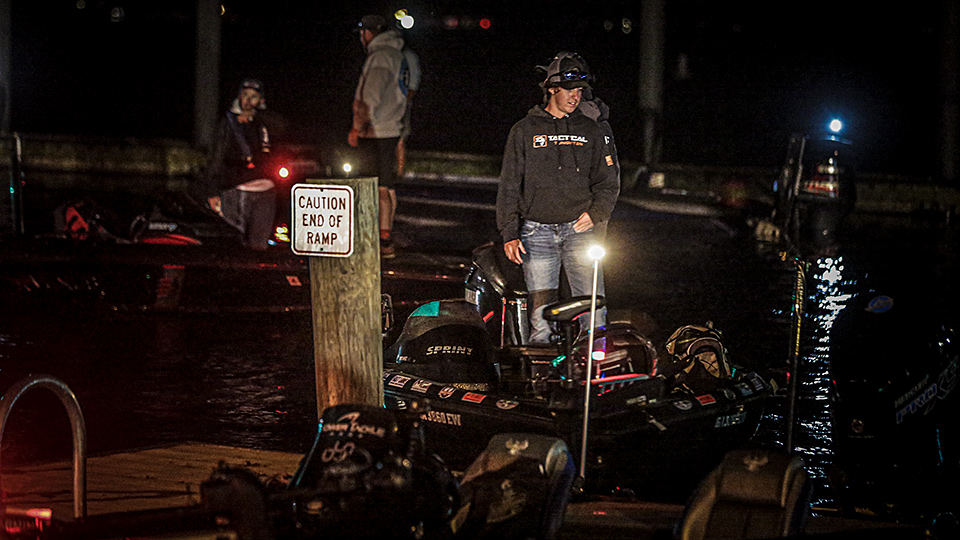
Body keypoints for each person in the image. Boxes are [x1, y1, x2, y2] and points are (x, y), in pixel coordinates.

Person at [496, 54, 620, 344]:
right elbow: (510, 184)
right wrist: (509, 233)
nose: (575, 97)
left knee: (594, 314)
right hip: (536, 233)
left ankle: (593, 367)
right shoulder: (524, 130)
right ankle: (541, 371)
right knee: (542, 321)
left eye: (579, 90)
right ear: (552, 89)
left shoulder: (591, 130)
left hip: (580, 233)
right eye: (568, 90)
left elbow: (608, 182)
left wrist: (596, 214)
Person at [350, 14, 410, 259]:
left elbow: (369, 96)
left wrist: (357, 127)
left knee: (376, 187)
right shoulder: (398, 55)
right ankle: (386, 237)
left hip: (376, 131)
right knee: (388, 186)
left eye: (362, 32)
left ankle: (376, 238)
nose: (361, 37)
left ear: (369, 32)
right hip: (393, 128)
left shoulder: (380, 57)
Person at [205, 78, 276, 250]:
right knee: (234, 244)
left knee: (259, 246)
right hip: (236, 190)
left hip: (265, 192)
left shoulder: (266, 122)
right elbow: (216, 157)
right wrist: (212, 191)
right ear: (239, 97)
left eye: (253, 96)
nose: (248, 100)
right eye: (245, 95)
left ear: (260, 100)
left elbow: (282, 127)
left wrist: (256, 116)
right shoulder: (228, 123)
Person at [396, 42, 421, 179]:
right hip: (387, 103)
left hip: (401, 103)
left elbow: (413, 83)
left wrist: (404, 101)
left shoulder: (408, 56)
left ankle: (400, 172)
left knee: (400, 138)